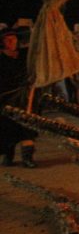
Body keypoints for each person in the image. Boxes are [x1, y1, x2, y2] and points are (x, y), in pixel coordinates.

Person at [0, 28, 38, 167]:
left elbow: (38, 47)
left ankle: (27, 158)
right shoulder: (1, 58)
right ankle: (8, 157)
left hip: (25, 97)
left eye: (14, 39)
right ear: (3, 42)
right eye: (7, 39)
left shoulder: (24, 55)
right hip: (5, 98)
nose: (11, 41)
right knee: (8, 128)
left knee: (27, 127)